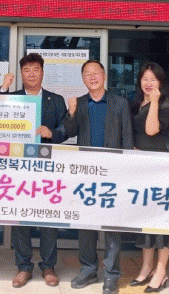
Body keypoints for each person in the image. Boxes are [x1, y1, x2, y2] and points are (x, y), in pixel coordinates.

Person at [63, 60, 133, 294]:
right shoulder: (80, 103)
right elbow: (70, 132)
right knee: (86, 223)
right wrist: (71, 112)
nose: (92, 77)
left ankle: (111, 274)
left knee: (112, 226)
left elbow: (127, 139)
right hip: (86, 173)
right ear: (83, 79)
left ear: (104, 75)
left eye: (96, 73)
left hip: (113, 172)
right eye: (87, 74)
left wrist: (125, 171)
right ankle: (89, 269)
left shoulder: (119, 103)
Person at [0, 52, 67, 288]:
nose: (31, 74)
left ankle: (48, 265)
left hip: (47, 167)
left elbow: (65, 129)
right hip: (19, 167)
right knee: (21, 218)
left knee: (48, 218)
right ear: (21, 73)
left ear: (42, 72)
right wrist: (3, 89)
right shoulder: (12, 97)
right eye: (26, 70)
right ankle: (24, 266)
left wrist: (52, 132)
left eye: (35, 69)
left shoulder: (55, 100)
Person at [128, 62, 169, 293]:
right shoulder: (135, 103)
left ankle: (161, 271)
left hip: (160, 167)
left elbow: (150, 130)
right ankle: (146, 267)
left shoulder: (166, 104)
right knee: (145, 218)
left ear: (160, 82)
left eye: (153, 79)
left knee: (161, 219)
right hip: (140, 167)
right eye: (145, 78)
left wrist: (155, 102)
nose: (148, 83)